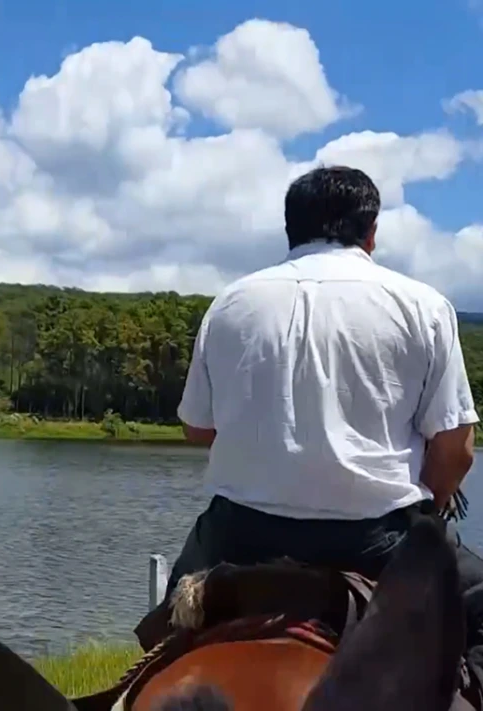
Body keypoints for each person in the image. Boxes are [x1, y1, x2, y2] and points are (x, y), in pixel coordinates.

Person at [168, 164, 483, 703]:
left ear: (290, 228)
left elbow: (198, 429)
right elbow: (456, 450)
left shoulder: (230, 304)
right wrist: (429, 508)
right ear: (372, 231)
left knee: (164, 625)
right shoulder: (424, 306)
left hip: (240, 535)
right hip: (378, 541)